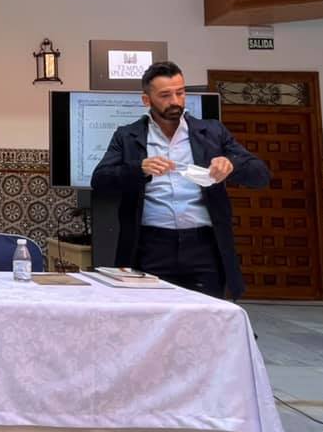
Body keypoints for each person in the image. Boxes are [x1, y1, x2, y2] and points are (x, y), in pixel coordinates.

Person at [90, 61, 270, 299]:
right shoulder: (128, 136)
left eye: (180, 93)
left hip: (203, 245)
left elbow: (260, 175)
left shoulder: (212, 132)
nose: (175, 101)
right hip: (150, 245)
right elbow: (100, 180)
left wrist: (232, 165)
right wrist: (138, 169)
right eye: (165, 95)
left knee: (206, 313)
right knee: (149, 313)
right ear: (146, 100)